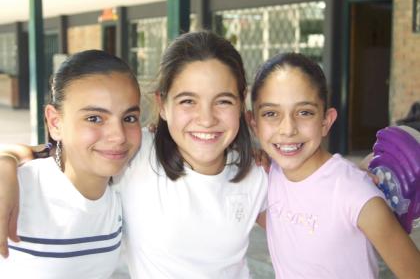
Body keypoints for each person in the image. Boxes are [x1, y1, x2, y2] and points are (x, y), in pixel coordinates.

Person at [0, 31, 268, 278]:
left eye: (223, 101)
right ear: (162, 105)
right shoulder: (139, 156)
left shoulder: (259, 173)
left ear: (241, 100)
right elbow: (63, 152)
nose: (206, 119)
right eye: (188, 101)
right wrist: (7, 161)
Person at [249, 52, 420, 278]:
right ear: (254, 124)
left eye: (304, 112)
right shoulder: (266, 179)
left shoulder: (355, 193)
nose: (288, 129)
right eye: (271, 113)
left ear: (325, 121)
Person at [0, 49, 142, 278]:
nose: (119, 136)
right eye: (94, 118)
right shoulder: (16, 190)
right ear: (55, 123)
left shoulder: (126, 186)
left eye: (129, 118)